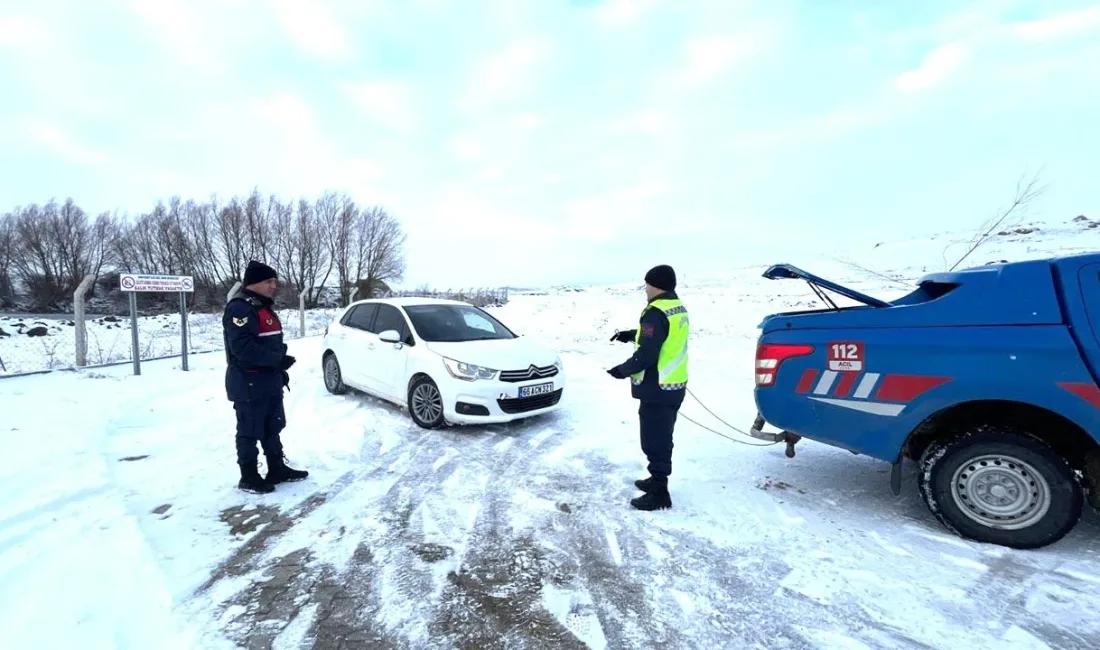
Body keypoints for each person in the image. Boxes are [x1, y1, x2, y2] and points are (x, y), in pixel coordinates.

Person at [607, 264, 688, 511]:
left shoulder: (655, 311)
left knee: (655, 439)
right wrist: (631, 334)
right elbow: (658, 337)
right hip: (673, 384)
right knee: (661, 435)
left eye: (647, 284)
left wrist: (622, 370)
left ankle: (660, 492)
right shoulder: (676, 307)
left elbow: (649, 353)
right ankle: (656, 479)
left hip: (658, 387)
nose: (645, 288)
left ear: (656, 285)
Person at [223, 260, 308, 493]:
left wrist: (280, 357)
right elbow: (242, 348)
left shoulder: (262, 306)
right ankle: (249, 476)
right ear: (254, 283)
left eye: (274, 281)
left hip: (269, 380)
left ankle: (277, 468)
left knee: (273, 426)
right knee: (250, 430)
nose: (274, 286)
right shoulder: (240, 308)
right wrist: (276, 360)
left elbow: (267, 341)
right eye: (268, 281)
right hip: (248, 382)